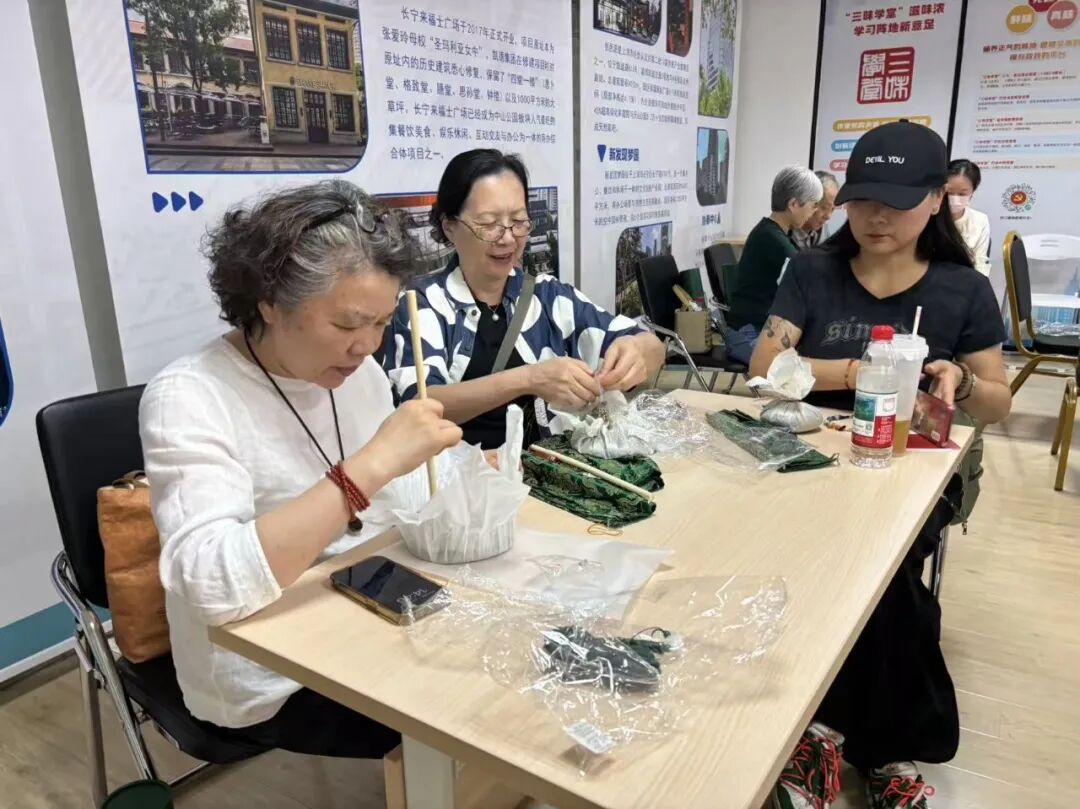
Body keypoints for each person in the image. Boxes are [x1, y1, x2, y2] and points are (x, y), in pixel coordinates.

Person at [139, 181, 462, 754]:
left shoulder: (358, 375)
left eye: (383, 322)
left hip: (367, 611)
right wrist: (368, 468)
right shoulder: (190, 397)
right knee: (462, 720)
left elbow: (402, 504)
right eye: (347, 325)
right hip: (271, 672)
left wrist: (464, 476)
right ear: (269, 303)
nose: (367, 346)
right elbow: (210, 584)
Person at [752, 122, 1011, 809]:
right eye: (863, 200)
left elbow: (999, 400)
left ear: (936, 200)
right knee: (852, 570)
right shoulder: (813, 271)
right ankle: (868, 746)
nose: (876, 217)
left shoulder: (963, 289)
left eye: (897, 202)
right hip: (809, 466)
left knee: (881, 568)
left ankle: (836, 736)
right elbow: (765, 365)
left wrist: (959, 378)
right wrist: (859, 371)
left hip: (911, 477)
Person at [388, 149, 665, 449]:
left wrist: (637, 351)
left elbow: (650, 344)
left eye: (518, 221)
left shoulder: (547, 297)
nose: (508, 238)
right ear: (449, 227)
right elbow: (419, 403)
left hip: (545, 471)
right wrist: (529, 379)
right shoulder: (422, 303)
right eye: (489, 224)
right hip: (463, 475)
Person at [723, 166, 823, 365]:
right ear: (794, 204)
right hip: (748, 334)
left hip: (754, 329)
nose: (813, 212)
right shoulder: (773, 241)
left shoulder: (771, 232)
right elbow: (808, 280)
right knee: (801, 370)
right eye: (813, 206)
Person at [945, 158, 991, 276]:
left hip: (965, 279)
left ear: (972, 192)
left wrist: (980, 284)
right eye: (949, 192)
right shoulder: (928, 216)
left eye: (962, 194)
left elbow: (980, 262)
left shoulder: (980, 220)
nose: (955, 198)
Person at [791, 170, 840, 250]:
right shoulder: (784, 233)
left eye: (832, 209)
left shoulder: (823, 231)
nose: (828, 216)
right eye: (824, 208)